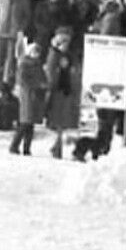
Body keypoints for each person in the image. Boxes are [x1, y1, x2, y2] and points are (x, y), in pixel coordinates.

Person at [44, 27, 79, 158]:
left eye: (67, 40)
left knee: (63, 121)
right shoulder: (53, 53)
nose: (65, 43)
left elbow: (75, 69)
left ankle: (57, 146)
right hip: (57, 90)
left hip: (67, 90)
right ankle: (57, 147)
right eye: (62, 40)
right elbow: (50, 71)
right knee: (57, 120)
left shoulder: (71, 54)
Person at [10, 42, 48, 155]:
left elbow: (43, 78)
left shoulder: (38, 65)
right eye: (34, 52)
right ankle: (14, 145)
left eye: (38, 52)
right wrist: (37, 84)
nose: (36, 54)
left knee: (31, 123)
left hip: (36, 96)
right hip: (27, 95)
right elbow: (22, 80)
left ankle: (27, 148)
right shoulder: (24, 64)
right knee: (25, 122)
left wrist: (44, 85)